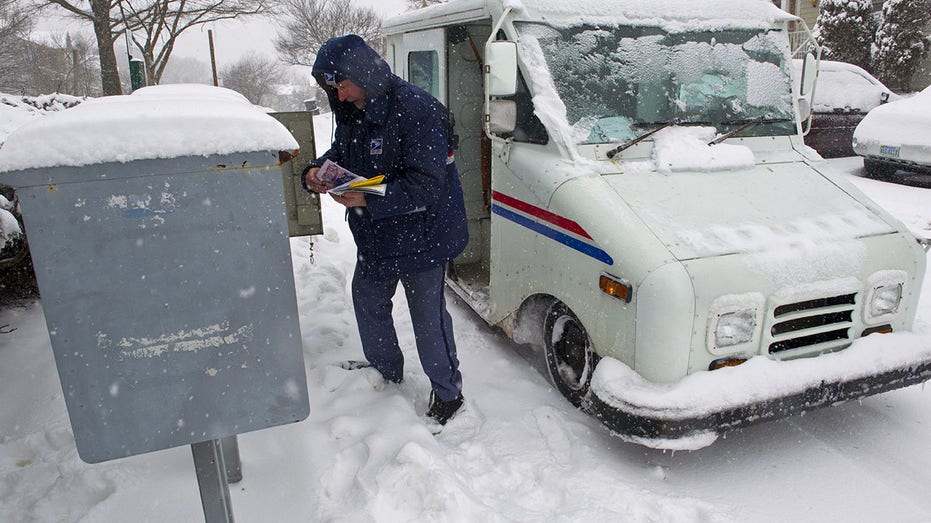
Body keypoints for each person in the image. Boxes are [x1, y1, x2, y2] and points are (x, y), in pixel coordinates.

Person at [301, 34, 469, 425]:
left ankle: (448, 394)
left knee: (428, 320)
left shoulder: (419, 111)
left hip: (422, 238)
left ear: (365, 74)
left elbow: (426, 185)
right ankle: (386, 371)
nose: (339, 96)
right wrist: (316, 172)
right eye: (333, 88)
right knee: (368, 302)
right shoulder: (354, 110)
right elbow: (342, 153)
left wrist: (367, 198)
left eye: (343, 85)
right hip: (376, 237)